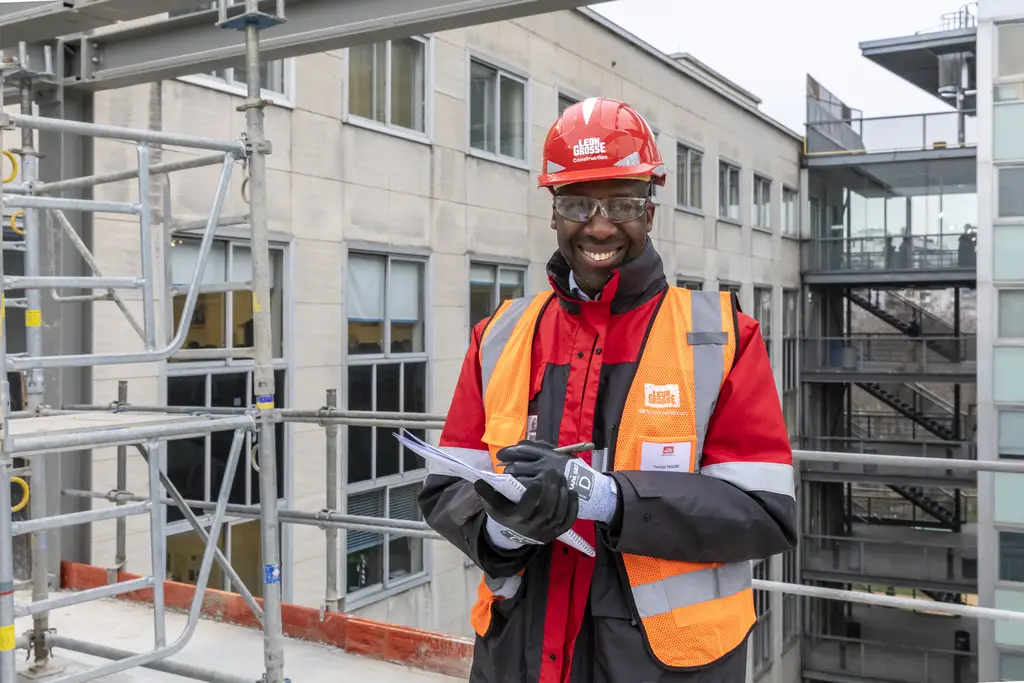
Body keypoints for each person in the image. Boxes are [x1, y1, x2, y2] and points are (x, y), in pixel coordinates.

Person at [418, 97, 797, 683]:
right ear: (553, 212)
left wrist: (610, 500)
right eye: (576, 203)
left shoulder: (722, 338)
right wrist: (501, 527)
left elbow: (765, 514)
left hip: (664, 667)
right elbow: (448, 486)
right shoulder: (498, 336)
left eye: (621, 202)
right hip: (517, 657)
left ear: (650, 210)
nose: (598, 225)